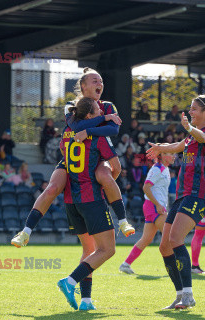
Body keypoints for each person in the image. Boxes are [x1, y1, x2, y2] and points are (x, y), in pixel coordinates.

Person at [11, 68, 135, 248]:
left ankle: (123, 221)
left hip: (96, 157)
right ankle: (26, 232)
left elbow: (114, 130)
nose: (99, 83)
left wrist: (89, 131)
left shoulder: (108, 105)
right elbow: (74, 125)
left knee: (106, 177)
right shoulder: (71, 104)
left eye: (100, 80)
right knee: (52, 188)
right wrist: (104, 119)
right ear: (83, 86)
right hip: (72, 159)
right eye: (94, 80)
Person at [146, 94, 205, 309]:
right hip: (183, 195)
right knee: (164, 246)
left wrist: (189, 128)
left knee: (176, 239)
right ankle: (180, 295)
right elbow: (178, 145)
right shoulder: (190, 137)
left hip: (198, 196)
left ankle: (188, 295)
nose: (190, 112)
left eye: (194, 109)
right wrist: (160, 147)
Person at [56, 97, 118, 311]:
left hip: (71, 200)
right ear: (90, 115)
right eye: (98, 109)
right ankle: (70, 281)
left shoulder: (68, 134)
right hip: (91, 198)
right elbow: (115, 165)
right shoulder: (98, 136)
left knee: (89, 251)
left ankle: (86, 301)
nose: (102, 109)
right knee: (107, 250)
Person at [119, 152, 175, 274]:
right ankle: (178, 267)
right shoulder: (157, 169)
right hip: (154, 207)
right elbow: (146, 187)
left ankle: (125, 264)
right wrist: (158, 205)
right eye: (171, 153)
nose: (174, 156)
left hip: (156, 207)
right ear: (163, 155)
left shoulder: (165, 169)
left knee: (146, 239)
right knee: (172, 236)